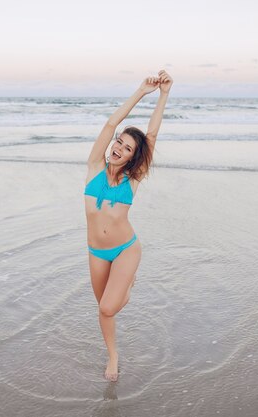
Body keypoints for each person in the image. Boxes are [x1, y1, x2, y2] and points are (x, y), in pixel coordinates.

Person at [84, 70, 173, 381]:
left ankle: (126, 286)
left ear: (135, 157)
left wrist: (163, 96)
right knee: (104, 309)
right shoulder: (95, 167)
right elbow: (110, 124)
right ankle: (113, 355)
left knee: (108, 308)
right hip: (96, 252)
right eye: (119, 142)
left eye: (127, 147)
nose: (118, 147)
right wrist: (140, 91)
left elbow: (152, 136)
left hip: (125, 249)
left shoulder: (132, 180)